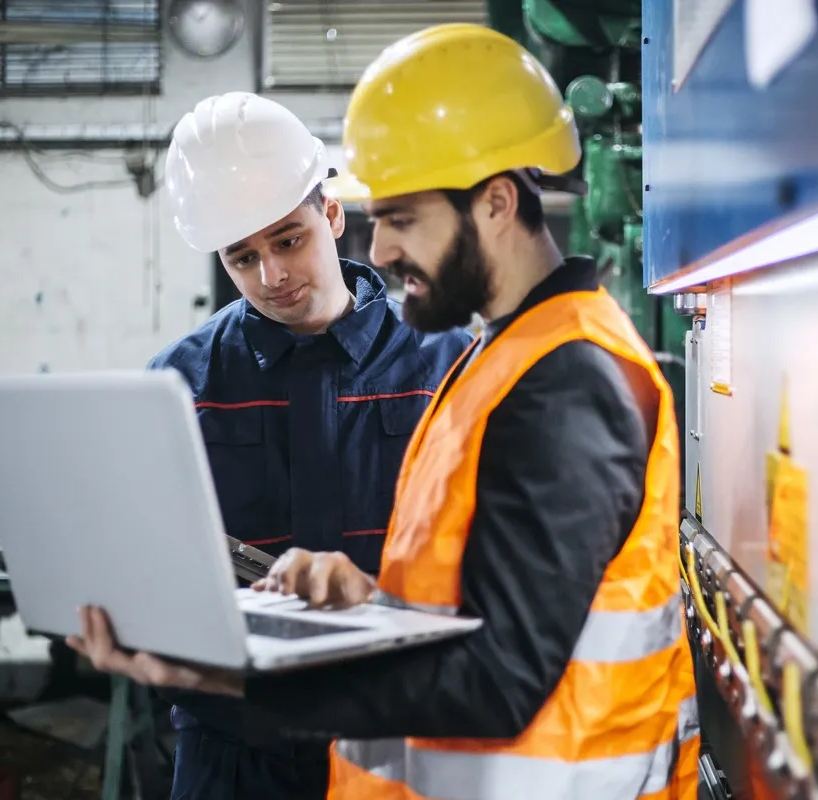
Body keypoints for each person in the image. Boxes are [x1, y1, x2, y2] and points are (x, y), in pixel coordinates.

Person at [69, 26, 701, 800]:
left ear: (497, 203)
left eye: (403, 219)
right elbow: (478, 601)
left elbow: (499, 680)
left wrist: (240, 678)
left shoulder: (567, 380)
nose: (387, 248)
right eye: (384, 220)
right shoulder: (501, 361)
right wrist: (373, 600)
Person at [145, 92, 473, 799]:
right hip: (234, 749)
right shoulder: (178, 385)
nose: (272, 277)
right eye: (243, 257)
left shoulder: (446, 362)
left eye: (287, 240)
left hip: (404, 735)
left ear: (331, 215)